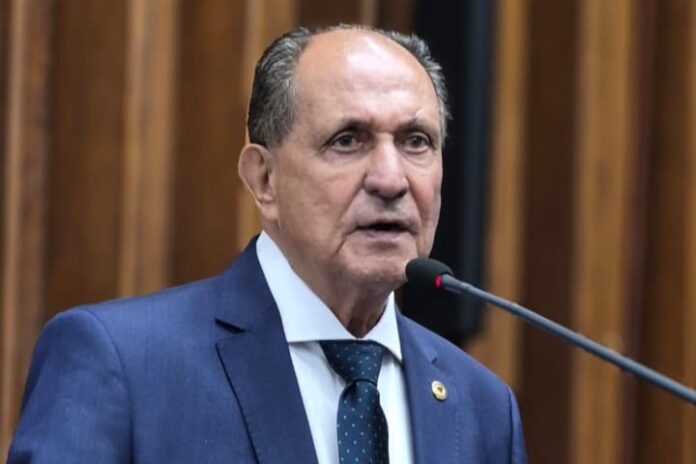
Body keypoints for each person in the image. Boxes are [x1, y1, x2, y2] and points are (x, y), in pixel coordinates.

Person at [8, 25, 527, 463]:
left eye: (416, 142)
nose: (391, 180)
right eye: (348, 140)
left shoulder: (483, 409)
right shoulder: (122, 365)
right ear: (264, 179)